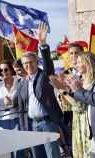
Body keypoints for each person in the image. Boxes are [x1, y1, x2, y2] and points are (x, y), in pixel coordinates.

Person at [13, 23, 63, 158]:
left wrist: (43, 44)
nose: (28, 65)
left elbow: (48, 64)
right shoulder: (22, 83)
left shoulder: (44, 75)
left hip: (47, 123)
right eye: (25, 63)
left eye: (31, 62)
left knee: (52, 155)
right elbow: (19, 106)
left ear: (36, 62)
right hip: (32, 125)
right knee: (37, 156)